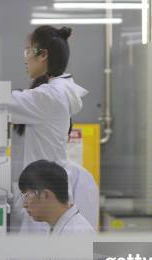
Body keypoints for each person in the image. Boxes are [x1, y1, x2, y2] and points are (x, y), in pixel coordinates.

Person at [8, 25, 90, 232]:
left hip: (44, 198)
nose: (25, 58)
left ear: (43, 54)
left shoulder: (49, 96)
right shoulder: (54, 93)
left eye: (28, 51)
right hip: (44, 195)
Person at [10, 160, 94, 260]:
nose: (24, 204)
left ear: (45, 195)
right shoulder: (59, 229)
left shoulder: (76, 237)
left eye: (27, 195)